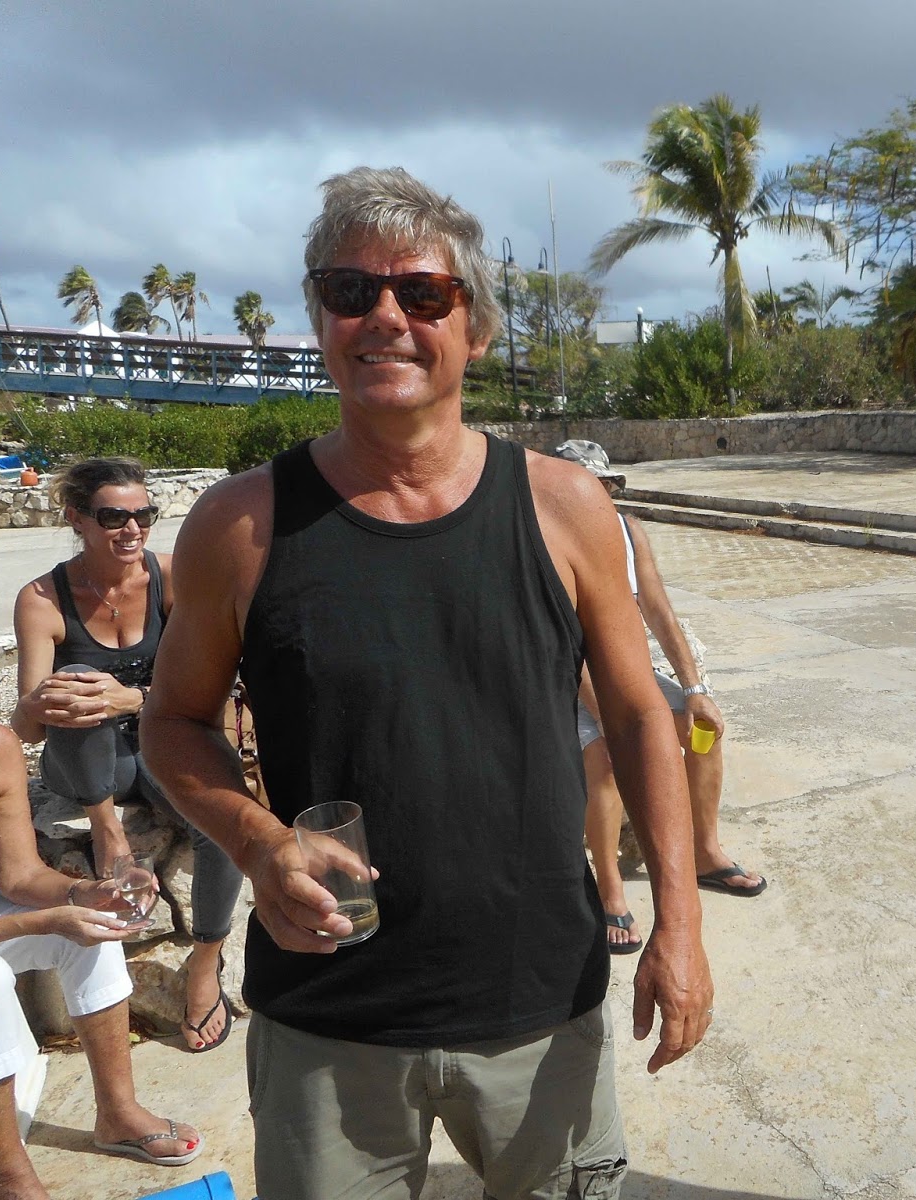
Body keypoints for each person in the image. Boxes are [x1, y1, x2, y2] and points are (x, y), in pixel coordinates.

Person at [139, 166, 711, 1199]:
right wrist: (258, 842)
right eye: (350, 291)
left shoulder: (565, 506)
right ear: (321, 319)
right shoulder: (240, 524)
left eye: (423, 293)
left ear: (474, 329)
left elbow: (637, 717)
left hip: (539, 1001)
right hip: (328, 1016)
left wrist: (681, 920)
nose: (385, 317)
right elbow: (173, 722)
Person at [11, 457, 243, 1054]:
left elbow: (215, 685)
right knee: (77, 681)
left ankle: (205, 963)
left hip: (160, 743)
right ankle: (106, 829)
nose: (132, 528)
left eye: (144, 514)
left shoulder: (170, 578)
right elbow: (26, 728)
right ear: (77, 518)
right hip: (84, 763)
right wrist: (45, 699)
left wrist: (132, 698)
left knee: (223, 822)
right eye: (114, 516)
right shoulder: (42, 598)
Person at [0, 614, 203, 1196]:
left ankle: (117, 1113)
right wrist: (43, 920)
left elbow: (21, 873)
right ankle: (8, 1177)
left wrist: (82, 894)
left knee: (92, 927)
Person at [553, 440, 766, 955]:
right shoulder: (543, 537)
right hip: (565, 676)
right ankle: (609, 888)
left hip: (625, 669)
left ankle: (704, 851)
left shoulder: (628, 533)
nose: (595, 495)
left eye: (602, 485)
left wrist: (695, 690)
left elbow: (658, 609)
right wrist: (611, 718)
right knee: (606, 757)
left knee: (703, 730)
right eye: (583, 485)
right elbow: (562, 641)